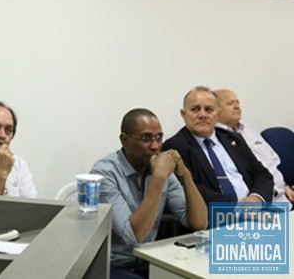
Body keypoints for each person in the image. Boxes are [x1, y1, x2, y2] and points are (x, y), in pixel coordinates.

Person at [91, 108, 207, 279]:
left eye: (159, 137)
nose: (155, 146)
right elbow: (134, 236)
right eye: (146, 138)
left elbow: (199, 223)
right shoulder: (104, 173)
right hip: (112, 266)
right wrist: (158, 178)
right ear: (124, 140)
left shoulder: (161, 168)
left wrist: (185, 175)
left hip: (150, 260)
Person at [163, 86, 274, 205]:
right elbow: (191, 189)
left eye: (209, 109)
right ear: (183, 114)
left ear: (218, 114)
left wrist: (256, 198)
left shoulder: (233, 138)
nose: (202, 115)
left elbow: (262, 174)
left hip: (255, 211)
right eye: (195, 109)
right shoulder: (175, 147)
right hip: (218, 218)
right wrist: (237, 207)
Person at [215, 88, 293, 210]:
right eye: (230, 103)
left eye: (237, 102)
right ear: (216, 109)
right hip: (260, 205)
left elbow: (272, 161)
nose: (237, 106)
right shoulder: (216, 138)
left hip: (285, 198)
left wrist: (284, 186)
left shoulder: (248, 129)